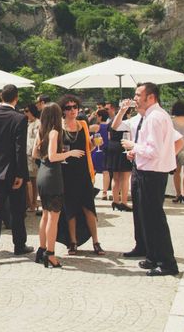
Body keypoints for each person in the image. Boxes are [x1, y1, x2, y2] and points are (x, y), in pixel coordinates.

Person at [120, 83, 184, 276]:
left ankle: (167, 263)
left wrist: (134, 146)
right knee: (147, 218)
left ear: (151, 97)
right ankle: (154, 257)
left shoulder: (155, 118)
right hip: (147, 171)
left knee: (155, 219)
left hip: (152, 174)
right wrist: (136, 153)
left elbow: (153, 151)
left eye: (139, 95)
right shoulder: (152, 116)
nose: (135, 98)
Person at [0, 85, 32, 265]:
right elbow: (19, 148)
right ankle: (19, 244)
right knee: (17, 209)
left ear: (0, 96)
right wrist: (20, 173)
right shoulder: (20, 118)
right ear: (16, 98)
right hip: (12, 170)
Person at [33, 103, 85, 268]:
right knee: (53, 218)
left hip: (42, 173)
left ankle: (41, 249)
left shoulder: (41, 131)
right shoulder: (55, 132)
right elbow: (53, 156)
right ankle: (50, 254)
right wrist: (70, 153)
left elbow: (34, 153)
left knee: (46, 215)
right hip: (52, 175)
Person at [58, 95, 105, 256]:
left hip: (83, 171)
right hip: (66, 171)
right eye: (68, 108)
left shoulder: (83, 124)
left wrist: (95, 143)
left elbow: (88, 149)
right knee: (70, 208)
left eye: (75, 107)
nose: (72, 110)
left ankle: (96, 241)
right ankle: (72, 242)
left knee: (88, 207)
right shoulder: (59, 127)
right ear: (63, 110)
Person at [89, 109, 112, 202]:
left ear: (100, 117)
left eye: (97, 116)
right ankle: (105, 192)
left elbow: (85, 127)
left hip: (96, 150)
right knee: (106, 172)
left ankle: (90, 190)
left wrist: (91, 116)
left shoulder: (96, 127)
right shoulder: (109, 127)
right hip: (106, 151)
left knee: (92, 171)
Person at [24, 104, 41, 215]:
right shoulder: (25, 122)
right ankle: (30, 203)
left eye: (27, 110)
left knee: (33, 180)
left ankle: (33, 203)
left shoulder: (38, 123)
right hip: (25, 154)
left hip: (33, 154)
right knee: (28, 180)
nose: (25, 113)